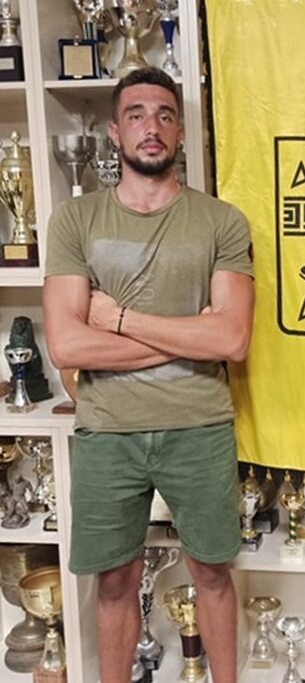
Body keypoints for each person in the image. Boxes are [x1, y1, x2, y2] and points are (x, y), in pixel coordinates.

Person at [43, 67, 254, 683]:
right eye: (135, 115)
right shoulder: (75, 221)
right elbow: (66, 344)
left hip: (199, 427)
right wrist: (190, 338)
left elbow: (233, 339)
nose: (151, 126)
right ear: (115, 132)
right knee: (114, 579)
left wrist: (119, 319)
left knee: (212, 572)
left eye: (164, 115)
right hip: (108, 432)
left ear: (180, 131)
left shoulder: (221, 221)